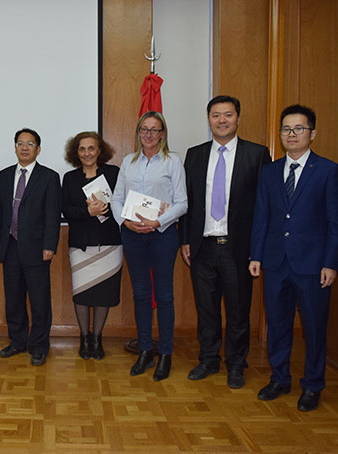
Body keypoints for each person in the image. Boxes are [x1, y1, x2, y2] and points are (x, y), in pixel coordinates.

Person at [249, 104, 338, 412]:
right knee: (277, 324)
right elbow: (261, 216)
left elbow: (336, 222)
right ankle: (280, 378)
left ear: (312, 133)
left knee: (315, 328)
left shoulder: (328, 171)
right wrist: (256, 254)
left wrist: (331, 262)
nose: (291, 135)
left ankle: (313, 385)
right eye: (286, 129)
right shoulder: (269, 171)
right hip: (276, 262)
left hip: (314, 266)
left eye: (298, 129)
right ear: (280, 135)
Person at [179, 95, 271, 389]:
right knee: (206, 308)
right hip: (202, 245)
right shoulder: (194, 155)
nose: (221, 120)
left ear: (238, 118)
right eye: (216, 115)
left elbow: (263, 206)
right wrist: (185, 240)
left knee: (238, 309)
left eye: (227, 115)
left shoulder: (257, 154)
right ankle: (208, 359)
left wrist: (257, 250)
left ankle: (236, 364)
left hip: (237, 247)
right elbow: (188, 202)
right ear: (208, 120)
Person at [111, 111, 187, 381]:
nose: (149, 135)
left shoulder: (172, 162)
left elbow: (182, 203)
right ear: (138, 133)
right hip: (133, 235)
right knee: (141, 294)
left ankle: (165, 353)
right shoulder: (128, 162)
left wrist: (158, 222)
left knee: (164, 295)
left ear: (163, 134)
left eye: (155, 130)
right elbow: (117, 199)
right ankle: (145, 350)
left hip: (162, 235)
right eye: (145, 129)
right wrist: (126, 222)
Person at [0, 128, 61, 366]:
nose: (24, 147)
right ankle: (17, 341)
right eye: (20, 143)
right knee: (13, 298)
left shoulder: (49, 177)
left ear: (38, 149)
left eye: (30, 143)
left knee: (39, 300)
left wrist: (50, 245)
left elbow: (53, 215)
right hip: (9, 245)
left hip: (37, 248)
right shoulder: (4, 175)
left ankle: (39, 346)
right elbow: (0, 210)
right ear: (15, 147)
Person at [61, 131, 121, 360]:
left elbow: (121, 203)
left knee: (104, 295)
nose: (87, 153)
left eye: (91, 148)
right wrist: (89, 211)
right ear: (76, 153)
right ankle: (84, 338)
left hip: (110, 244)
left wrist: (105, 209)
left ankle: (97, 338)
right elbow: (66, 209)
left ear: (99, 151)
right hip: (80, 246)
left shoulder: (114, 174)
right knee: (82, 294)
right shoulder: (70, 178)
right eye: (82, 149)